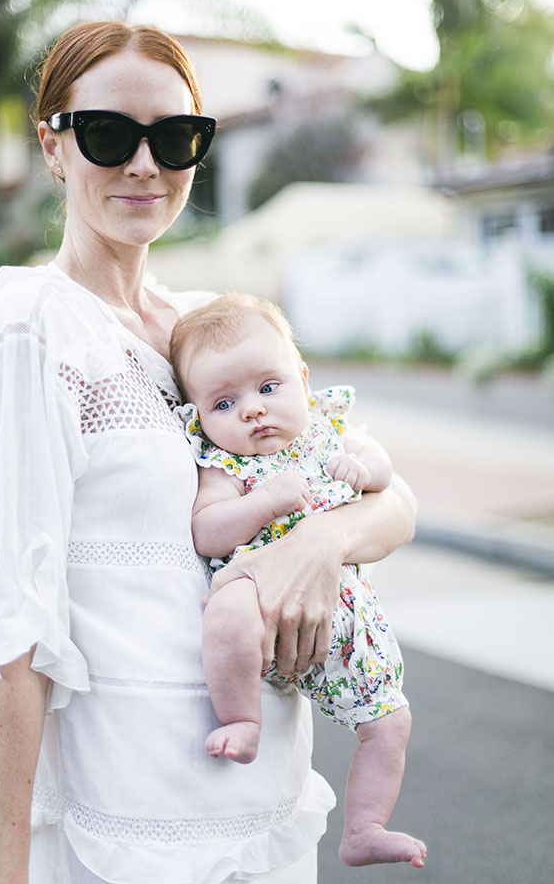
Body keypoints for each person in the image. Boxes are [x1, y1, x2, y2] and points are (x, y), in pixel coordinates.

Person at [0, 20, 417, 884]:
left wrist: (315, 546)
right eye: (107, 134)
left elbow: (390, 500)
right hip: (134, 819)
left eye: (174, 138)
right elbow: (18, 630)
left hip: (263, 801)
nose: (143, 165)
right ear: (52, 147)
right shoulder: (34, 330)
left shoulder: (211, 329)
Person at [170, 293, 427, 869]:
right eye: (224, 402)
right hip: (259, 604)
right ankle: (242, 718)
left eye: (268, 388)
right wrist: (262, 501)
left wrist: (366, 469)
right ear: (198, 416)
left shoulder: (330, 433)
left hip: (345, 619)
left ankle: (364, 827)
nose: (253, 411)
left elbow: (386, 478)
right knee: (227, 608)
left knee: (392, 723)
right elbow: (208, 532)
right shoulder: (224, 466)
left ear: (303, 379)